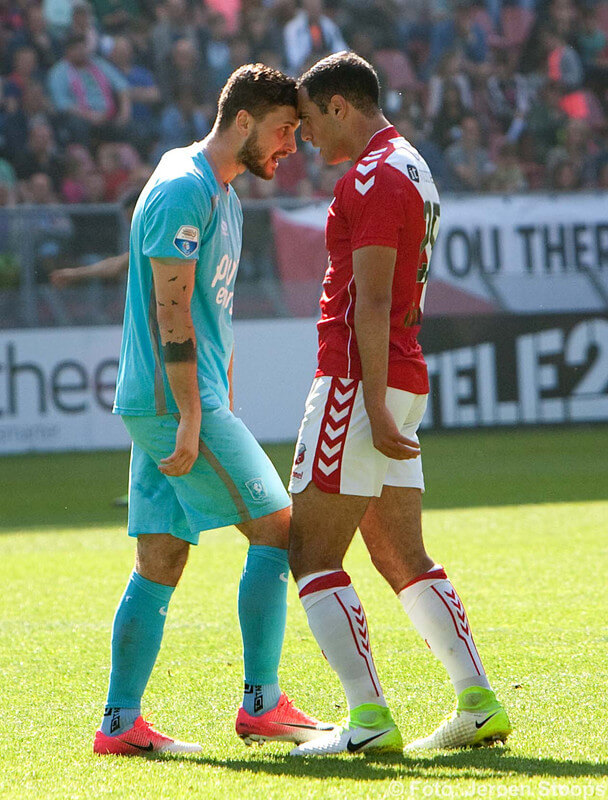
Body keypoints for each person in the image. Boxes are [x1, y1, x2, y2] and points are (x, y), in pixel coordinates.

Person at [93, 63, 333, 757]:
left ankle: (119, 724)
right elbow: (172, 313)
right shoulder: (182, 189)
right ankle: (261, 703)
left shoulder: (221, 191)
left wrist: (214, 395)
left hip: (175, 401)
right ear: (246, 120)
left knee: (161, 557)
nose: (291, 148)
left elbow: (206, 308)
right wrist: (196, 413)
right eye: (286, 131)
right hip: (174, 404)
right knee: (279, 528)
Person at [287, 51, 511, 757]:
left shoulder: (375, 175)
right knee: (399, 552)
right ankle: (476, 703)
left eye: (311, 123)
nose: (307, 140)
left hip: (361, 383)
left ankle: (368, 717)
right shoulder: (410, 162)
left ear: (339, 106)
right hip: (398, 377)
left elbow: (375, 298)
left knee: (311, 552)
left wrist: (374, 404)